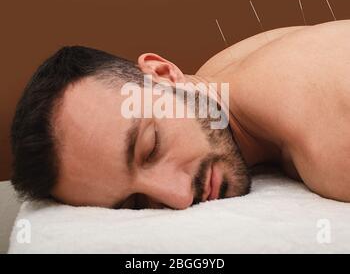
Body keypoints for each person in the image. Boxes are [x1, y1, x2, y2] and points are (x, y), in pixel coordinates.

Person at [10, 20, 350, 209]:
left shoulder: (333, 141)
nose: (178, 196)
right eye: (137, 203)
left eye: (151, 147)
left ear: (163, 73)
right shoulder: (218, 77)